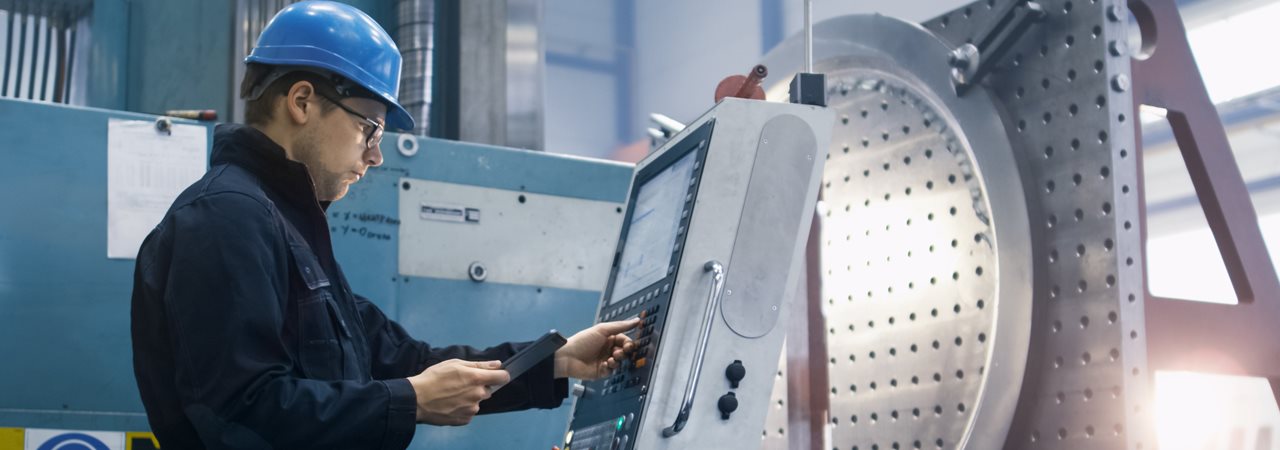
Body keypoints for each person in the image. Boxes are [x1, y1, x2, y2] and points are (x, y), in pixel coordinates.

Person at [129, 2, 637, 448]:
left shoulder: (289, 229)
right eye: (369, 127)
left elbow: (402, 360)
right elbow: (241, 411)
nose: (375, 155)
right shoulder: (225, 218)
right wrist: (408, 401)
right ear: (302, 101)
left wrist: (557, 361)